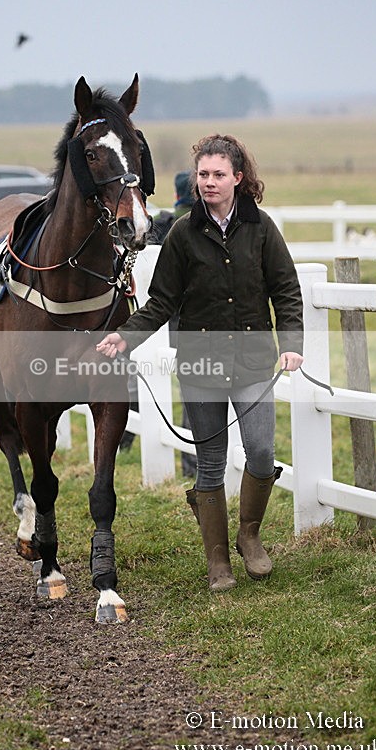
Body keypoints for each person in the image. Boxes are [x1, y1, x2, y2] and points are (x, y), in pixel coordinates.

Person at [97, 134, 304, 592]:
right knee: (209, 464)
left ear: (238, 178)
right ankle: (218, 563)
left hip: (252, 361)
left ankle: (249, 535)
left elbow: (286, 289)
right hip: (200, 365)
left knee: (262, 453)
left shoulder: (262, 227)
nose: (209, 182)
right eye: (203, 175)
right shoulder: (183, 234)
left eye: (218, 175)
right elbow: (161, 302)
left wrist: (290, 342)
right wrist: (124, 338)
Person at [119, 172, 197, 479]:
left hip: (151, 318)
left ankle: (124, 440)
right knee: (194, 394)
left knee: (140, 382)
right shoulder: (201, 226)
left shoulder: (160, 226)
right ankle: (191, 464)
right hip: (190, 323)